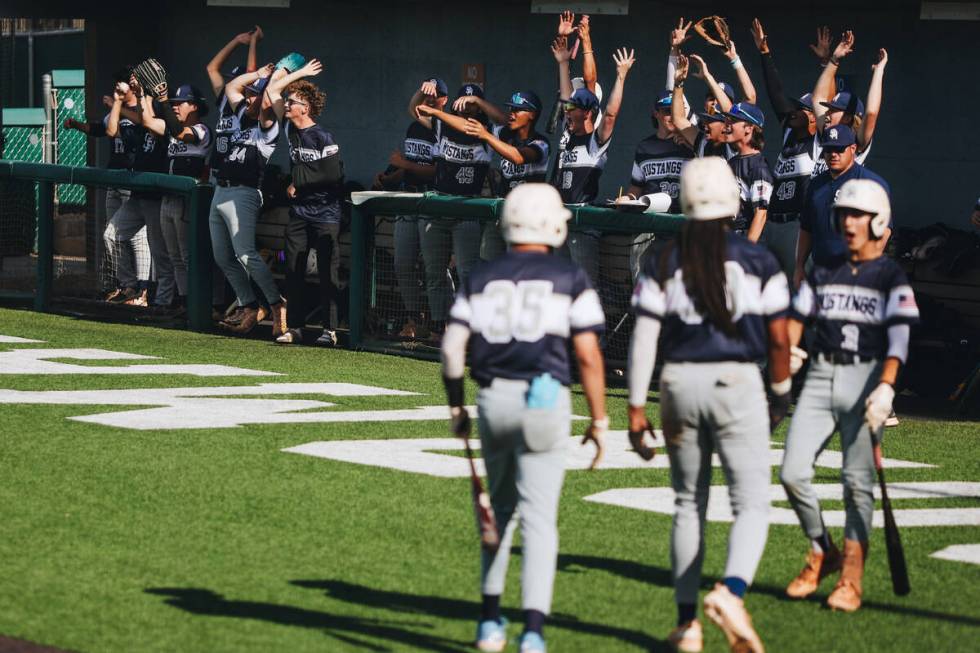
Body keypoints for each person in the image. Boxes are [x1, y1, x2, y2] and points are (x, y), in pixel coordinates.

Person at [627, 157, 791, 653]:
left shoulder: (663, 259)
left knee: (687, 505)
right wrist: (781, 392)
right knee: (751, 503)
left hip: (679, 383)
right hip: (737, 381)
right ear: (733, 200)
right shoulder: (759, 260)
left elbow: (644, 339)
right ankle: (731, 592)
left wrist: (635, 406)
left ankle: (686, 624)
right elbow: (780, 339)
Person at [440, 183, 608, 653]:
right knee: (539, 520)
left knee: (499, 513)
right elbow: (590, 357)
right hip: (546, 401)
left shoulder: (481, 275)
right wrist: (600, 420)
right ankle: (532, 633)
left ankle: (490, 624)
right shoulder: (569, 276)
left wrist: (456, 406)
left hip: (494, 401)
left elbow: (453, 351)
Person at [779, 179, 919, 612]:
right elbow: (798, 315)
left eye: (856, 215)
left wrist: (886, 386)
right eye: (843, 215)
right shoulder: (824, 269)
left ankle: (851, 576)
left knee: (857, 483)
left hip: (866, 380)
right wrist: (791, 351)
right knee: (792, 472)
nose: (848, 223)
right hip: (821, 375)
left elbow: (898, 339)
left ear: (878, 222)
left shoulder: (891, 276)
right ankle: (823, 550)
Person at [266, 61, 348, 347]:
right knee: (293, 269)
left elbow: (332, 173)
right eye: (288, 101)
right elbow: (272, 91)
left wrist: (296, 180)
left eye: (293, 102)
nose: (287, 105)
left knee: (328, 271)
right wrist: (299, 74)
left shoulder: (323, 136)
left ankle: (330, 329)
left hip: (326, 212)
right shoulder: (291, 130)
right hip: (300, 212)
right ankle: (296, 327)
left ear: (306, 108)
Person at [409, 81, 493, 341]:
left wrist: (440, 110)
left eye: (472, 103)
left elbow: (470, 126)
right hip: (439, 207)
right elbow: (415, 108)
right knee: (435, 271)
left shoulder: (486, 129)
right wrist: (424, 91)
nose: (466, 107)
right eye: (463, 102)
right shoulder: (442, 124)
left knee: (468, 272)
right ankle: (438, 326)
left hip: (468, 210)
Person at [210, 63, 287, 337]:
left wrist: (271, 84)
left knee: (245, 253)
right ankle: (249, 305)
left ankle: (277, 304)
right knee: (222, 256)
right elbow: (232, 87)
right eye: (251, 94)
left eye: (255, 94)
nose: (250, 98)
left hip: (244, 191)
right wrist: (258, 75)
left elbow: (264, 108)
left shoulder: (268, 128)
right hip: (220, 189)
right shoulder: (241, 113)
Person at [64, 67, 151, 304]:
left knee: (137, 238)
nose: (117, 89)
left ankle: (143, 290)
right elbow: (104, 130)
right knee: (111, 235)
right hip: (114, 178)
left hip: (134, 180)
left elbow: (146, 123)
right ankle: (127, 286)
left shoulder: (143, 109)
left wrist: (119, 104)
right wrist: (76, 125)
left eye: (121, 85)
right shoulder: (115, 110)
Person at [553, 46, 636, 285]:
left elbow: (610, 115)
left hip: (582, 223)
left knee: (583, 288)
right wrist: (563, 64)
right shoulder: (566, 135)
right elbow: (565, 97)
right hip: (559, 223)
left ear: (588, 113)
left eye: (573, 108)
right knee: (557, 287)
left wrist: (621, 76)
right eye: (567, 108)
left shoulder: (594, 143)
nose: (567, 112)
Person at [750, 18, 819, 280]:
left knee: (796, 289)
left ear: (813, 117)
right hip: (772, 222)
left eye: (798, 110)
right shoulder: (790, 132)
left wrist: (829, 63)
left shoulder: (819, 140)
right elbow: (775, 94)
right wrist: (764, 53)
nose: (790, 113)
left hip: (795, 225)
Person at [375, 80, 444, 339]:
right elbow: (408, 165)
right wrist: (388, 177)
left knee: (434, 267)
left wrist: (404, 164)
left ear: (444, 101)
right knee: (402, 263)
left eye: (433, 97)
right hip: (408, 198)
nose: (427, 101)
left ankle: (441, 322)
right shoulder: (415, 126)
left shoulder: (443, 128)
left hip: (432, 201)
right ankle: (416, 319)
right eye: (424, 98)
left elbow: (437, 170)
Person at [137, 83, 213, 308]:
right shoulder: (172, 129)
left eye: (181, 104)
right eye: (174, 104)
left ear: (195, 106)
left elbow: (182, 134)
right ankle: (183, 301)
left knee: (187, 254)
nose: (176, 107)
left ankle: (196, 304)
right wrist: (144, 95)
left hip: (188, 201)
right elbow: (148, 121)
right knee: (174, 255)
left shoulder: (201, 130)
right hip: (168, 198)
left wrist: (162, 103)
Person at [793, 124, 891, 290]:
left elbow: (884, 231)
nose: (833, 154)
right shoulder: (816, 184)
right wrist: (799, 266)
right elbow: (806, 228)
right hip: (821, 271)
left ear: (853, 148)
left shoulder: (870, 182)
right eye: (829, 149)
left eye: (839, 149)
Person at [459, 89, 550, 260]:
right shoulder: (507, 134)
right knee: (488, 264)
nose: (512, 114)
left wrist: (486, 135)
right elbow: (500, 119)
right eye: (511, 109)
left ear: (531, 114)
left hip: (527, 218)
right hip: (501, 214)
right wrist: (477, 101)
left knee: (516, 269)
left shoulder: (541, 143)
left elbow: (518, 157)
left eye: (517, 110)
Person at [106, 74, 172, 307]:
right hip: (137, 195)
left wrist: (142, 92)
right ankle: (130, 286)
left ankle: (164, 300)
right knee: (112, 235)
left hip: (155, 196)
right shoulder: (141, 125)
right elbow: (113, 130)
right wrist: (119, 100)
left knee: (159, 251)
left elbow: (149, 119)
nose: (145, 110)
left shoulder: (163, 125)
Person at [810, 31, 886, 175]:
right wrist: (834, 59)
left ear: (848, 117)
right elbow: (817, 98)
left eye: (833, 110)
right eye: (829, 110)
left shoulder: (856, 141)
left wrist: (879, 71)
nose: (827, 114)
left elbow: (871, 113)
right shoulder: (826, 132)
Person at [723, 102, 773, 242]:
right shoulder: (731, 162)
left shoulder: (758, 166)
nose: (727, 124)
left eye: (733, 120)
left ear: (749, 129)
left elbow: (761, 214)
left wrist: (747, 250)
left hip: (746, 239)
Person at [669, 55, 733, 160]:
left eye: (711, 121)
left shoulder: (735, 139)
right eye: (711, 98)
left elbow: (729, 111)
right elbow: (678, 120)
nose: (714, 103)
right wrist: (678, 84)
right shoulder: (703, 140)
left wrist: (707, 76)